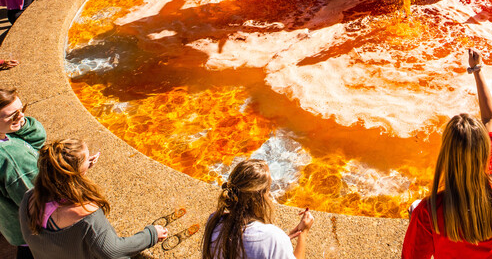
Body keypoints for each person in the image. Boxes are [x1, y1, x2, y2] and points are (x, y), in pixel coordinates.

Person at [402, 49, 492, 259]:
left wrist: (415, 219)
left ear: (447, 157)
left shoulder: (430, 212)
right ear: (484, 152)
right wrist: (477, 70)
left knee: (413, 207)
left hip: (425, 216)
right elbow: (490, 119)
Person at [20, 138, 167, 259]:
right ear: (75, 173)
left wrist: (81, 168)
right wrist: (151, 235)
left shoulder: (29, 198)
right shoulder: (84, 214)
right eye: (86, 159)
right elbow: (113, 251)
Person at [201, 159, 313, 259]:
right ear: (261, 196)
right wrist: (303, 233)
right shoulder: (273, 239)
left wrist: (279, 246)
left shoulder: (214, 222)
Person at [0, 88, 46, 258]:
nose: (21, 117)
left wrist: (21, 123)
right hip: (31, 232)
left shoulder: (5, 135)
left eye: (22, 109)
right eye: (12, 115)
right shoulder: (11, 158)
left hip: (10, 224)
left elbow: (37, 138)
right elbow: (37, 203)